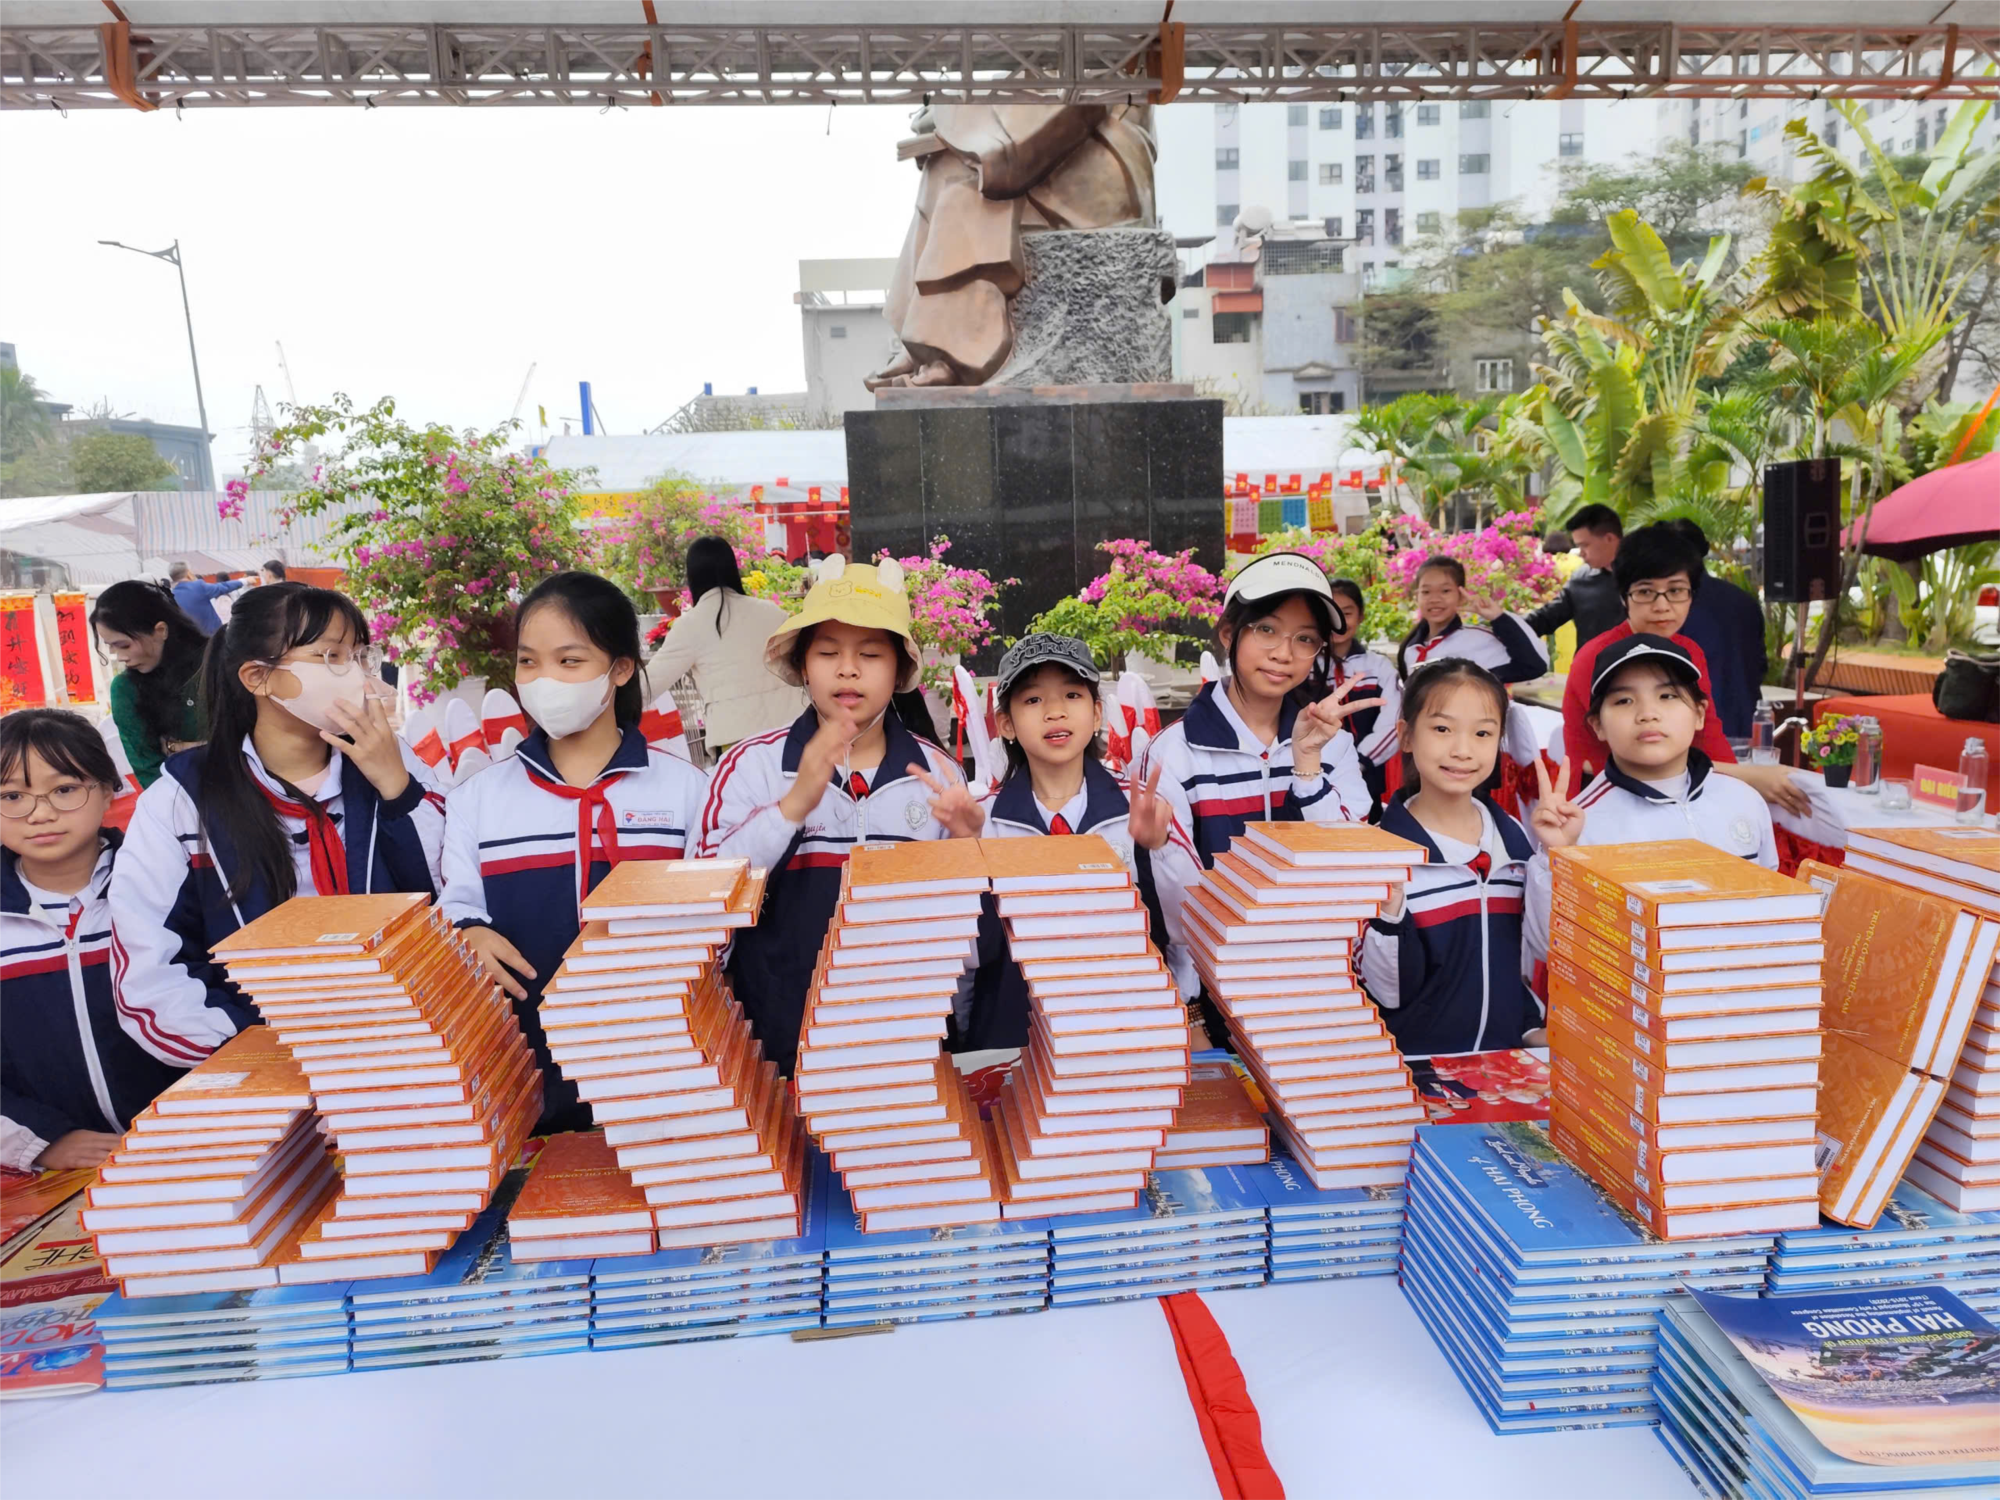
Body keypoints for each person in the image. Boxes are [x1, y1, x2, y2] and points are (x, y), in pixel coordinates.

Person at [109, 583, 445, 1068]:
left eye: (359, 656)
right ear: (258, 677)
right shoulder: (181, 801)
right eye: (331, 656)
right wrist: (265, 1054)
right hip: (267, 1062)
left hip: (410, 1048)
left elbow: (452, 898)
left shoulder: (396, 763)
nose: (356, 673)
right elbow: (152, 974)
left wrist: (397, 789)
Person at [443, 571, 713, 1133]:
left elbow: (714, 924)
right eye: (528, 662)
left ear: (620, 669)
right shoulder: (478, 798)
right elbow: (457, 904)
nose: (544, 681)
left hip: (660, 1067)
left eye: (569, 661)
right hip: (524, 1072)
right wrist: (468, 933)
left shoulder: (687, 791)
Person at [695, 557, 980, 1075]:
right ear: (803, 665)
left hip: (906, 1047)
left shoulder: (938, 774)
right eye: (828, 652)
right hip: (778, 1051)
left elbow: (959, 930)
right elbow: (704, 903)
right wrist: (792, 806)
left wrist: (969, 847)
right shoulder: (750, 766)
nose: (848, 669)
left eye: (870, 654)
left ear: (899, 671)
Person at [964, 633, 1202, 1047]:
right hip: (1014, 1043)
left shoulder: (1141, 805)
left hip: (1127, 1037)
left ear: (1096, 715)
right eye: (1033, 699)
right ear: (1006, 724)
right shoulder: (982, 820)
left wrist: (1159, 846)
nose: (1055, 712)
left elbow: (1189, 929)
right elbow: (966, 958)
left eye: (1072, 695)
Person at [1523, 634, 1777, 975]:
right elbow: (1546, 945)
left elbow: (1772, 908)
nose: (1647, 714)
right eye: (1624, 701)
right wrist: (1556, 857)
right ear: (1598, 725)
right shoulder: (1580, 823)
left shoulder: (1743, 799)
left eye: (1667, 696)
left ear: (1699, 714)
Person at [0, 711, 183, 1172]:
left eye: (64, 789)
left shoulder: (167, 888)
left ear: (108, 790)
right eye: (12, 796)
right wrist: (42, 1141)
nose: (40, 813)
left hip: (192, 1145)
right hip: (61, 1171)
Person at [1358, 660, 1546, 1057]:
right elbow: (1387, 993)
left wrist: (1528, 1025)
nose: (1462, 750)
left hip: (1506, 1067)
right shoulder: (1382, 853)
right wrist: (1388, 916)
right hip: (1416, 1071)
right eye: (1442, 729)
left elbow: (1534, 956)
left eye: (1482, 733)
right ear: (1406, 736)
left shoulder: (1517, 843)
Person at [1559, 523, 1808, 816]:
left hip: (1674, 794)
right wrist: (1748, 777)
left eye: (1675, 590)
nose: (1662, 606)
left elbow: (1709, 737)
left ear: (1692, 594)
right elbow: (1646, 757)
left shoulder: (1689, 651)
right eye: (1646, 591)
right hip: (1601, 802)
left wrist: (1740, 789)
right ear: (1624, 597)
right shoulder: (1597, 657)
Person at [1142, 551, 1372, 868]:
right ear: (1228, 633)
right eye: (1266, 629)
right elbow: (1176, 888)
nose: (1283, 653)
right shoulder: (1173, 752)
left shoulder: (1334, 746)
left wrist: (1308, 769)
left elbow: (1352, 861)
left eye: (1305, 638)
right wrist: (1160, 845)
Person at [645, 537, 803, 754]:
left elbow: (649, 685)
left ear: (693, 576)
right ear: (732, 568)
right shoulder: (772, 612)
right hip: (791, 732)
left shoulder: (691, 625)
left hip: (737, 741)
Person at [90, 580, 208, 789]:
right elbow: (149, 770)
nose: (120, 657)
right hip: (182, 796)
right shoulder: (126, 689)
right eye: (111, 647)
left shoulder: (216, 663)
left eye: (124, 645)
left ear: (161, 630)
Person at [1667, 518, 1768, 743]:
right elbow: (1760, 664)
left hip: (1697, 731)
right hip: (1746, 724)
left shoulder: (1670, 606)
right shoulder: (1743, 600)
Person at [1395, 555, 1550, 684]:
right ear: (1416, 596)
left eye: (1445, 591)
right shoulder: (1411, 649)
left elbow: (1533, 666)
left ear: (1461, 596)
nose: (1434, 599)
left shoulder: (1478, 641)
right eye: (1426, 592)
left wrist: (1498, 618)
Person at [1327, 577, 1401, 807]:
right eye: (1330, 613)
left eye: (1347, 613)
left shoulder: (1379, 668)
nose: (1338, 622)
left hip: (1366, 778)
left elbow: (1392, 723)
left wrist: (1359, 762)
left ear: (1361, 616)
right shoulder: (1303, 666)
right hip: (1309, 775)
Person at [1525, 504, 1625, 648]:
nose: (1581, 553)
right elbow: (1545, 619)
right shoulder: (1581, 580)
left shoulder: (1646, 577)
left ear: (1609, 538)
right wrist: (1502, 623)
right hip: (1590, 661)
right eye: (1578, 546)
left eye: (1585, 545)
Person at [167, 561, 245, 636]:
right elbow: (222, 587)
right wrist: (244, 581)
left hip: (190, 638)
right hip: (212, 636)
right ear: (188, 573)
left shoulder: (171, 596)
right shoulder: (198, 586)